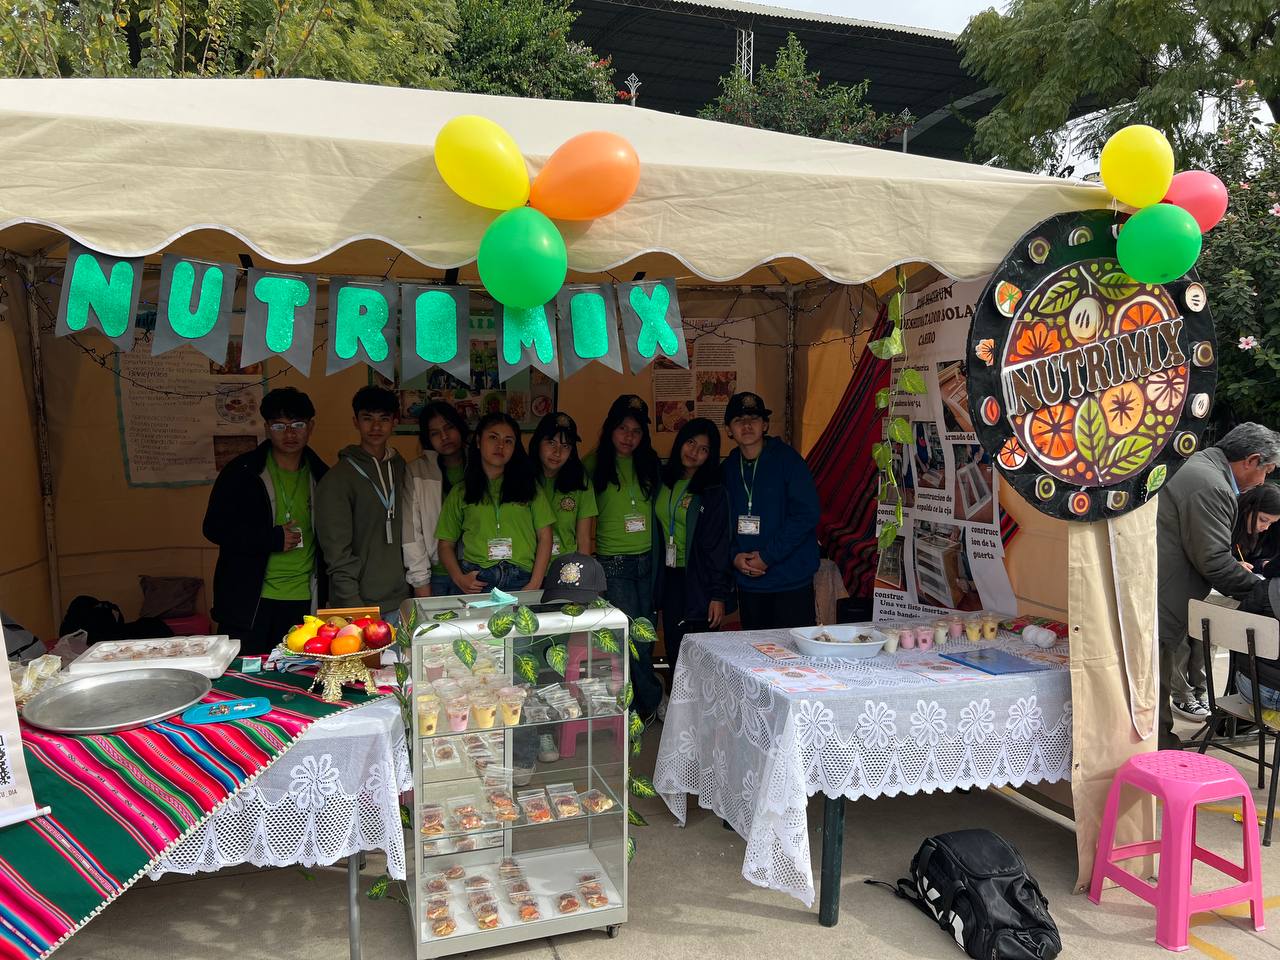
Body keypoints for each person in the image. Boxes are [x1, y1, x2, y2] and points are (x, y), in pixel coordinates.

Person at [1157, 422, 1280, 746]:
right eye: (1266, 471)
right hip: (1163, 598)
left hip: (1162, 592)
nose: (1263, 481)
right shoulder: (1212, 486)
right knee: (1154, 684)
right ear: (1251, 460)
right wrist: (1264, 594)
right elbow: (1212, 560)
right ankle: (1160, 750)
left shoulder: (1199, 466)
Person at [203, 387, 328, 654]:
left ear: (311, 427)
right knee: (246, 673)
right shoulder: (243, 472)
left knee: (299, 673)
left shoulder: (323, 475)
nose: (290, 434)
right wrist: (269, 539)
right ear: (266, 428)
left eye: (297, 425)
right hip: (250, 602)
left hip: (305, 598)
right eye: (279, 426)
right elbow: (214, 528)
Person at [586, 395, 663, 720]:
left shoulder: (651, 464)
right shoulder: (593, 464)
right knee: (629, 636)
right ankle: (648, 699)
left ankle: (641, 700)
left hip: (648, 561)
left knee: (646, 636)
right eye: (622, 428)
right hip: (614, 564)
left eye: (636, 430)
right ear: (610, 428)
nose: (629, 436)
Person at [722, 391, 820, 630]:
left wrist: (768, 556)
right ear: (728, 430)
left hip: (790, 581)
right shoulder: (727, 469)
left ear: (765, 425)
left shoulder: (788, 461)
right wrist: (734, 556)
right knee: (756, 650)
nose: (747, 425)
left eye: (754, 419)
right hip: (750, 583)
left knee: (793, 651)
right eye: (739, 420)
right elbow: (719, 523)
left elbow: (806, 514)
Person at [315, 386, 410, 616]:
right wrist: (355, 607)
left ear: (394, 423)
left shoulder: (401, 468)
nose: (376, 427)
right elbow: (337, 553)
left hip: (401, 600)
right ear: (355, 422)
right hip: (358, 604)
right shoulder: (338, 479)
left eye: (383, 419)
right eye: (367, 418)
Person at [436, 412, 554, 593]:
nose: (500, 446)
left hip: (522, 579)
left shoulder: (530, 487)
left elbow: (545, 536)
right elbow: (445, 544)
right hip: (478, 580)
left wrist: (535, 583)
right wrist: (460, 579)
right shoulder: (461, 491)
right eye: (493, 437)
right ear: (478, 441)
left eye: (508, 441)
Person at [655, 417, 733, 676]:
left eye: (704, 449)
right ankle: (678, 701)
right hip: (671, 577)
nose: (694, 452)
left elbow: (718, 546)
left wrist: (718, 595)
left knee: (702, 658)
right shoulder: (663, 480)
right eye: (690, 443)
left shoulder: (712, 491)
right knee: (675, 649)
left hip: (700, 580)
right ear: (680, 442)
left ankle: (705, 703)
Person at [403, 402, 469, 598]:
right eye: (435, 433)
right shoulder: (416, 470)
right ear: (427, 438)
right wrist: (420, 581)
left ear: (460, 427)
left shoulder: (480, 465)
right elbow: (411, 531)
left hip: (475, 571)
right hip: (435, 576)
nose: (444, 437)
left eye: (449, 427)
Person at [530, 412, 597, 558]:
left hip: (567, 565)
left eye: (565, 446)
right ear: (538, 442)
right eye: (551, 443)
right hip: (528, 565)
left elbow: (584, 539)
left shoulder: (580, 481)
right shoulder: (522, 478)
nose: (557, 452)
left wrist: (581, 569)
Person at [1232, 482, 1280, 574]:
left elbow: (1252, 561)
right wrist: (1230, 565)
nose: (1266, 527)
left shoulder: (1267, 533)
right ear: (1247, 508)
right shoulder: (1226, 525)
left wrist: (1262, 565)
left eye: (1271, 523)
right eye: (1263, 520)